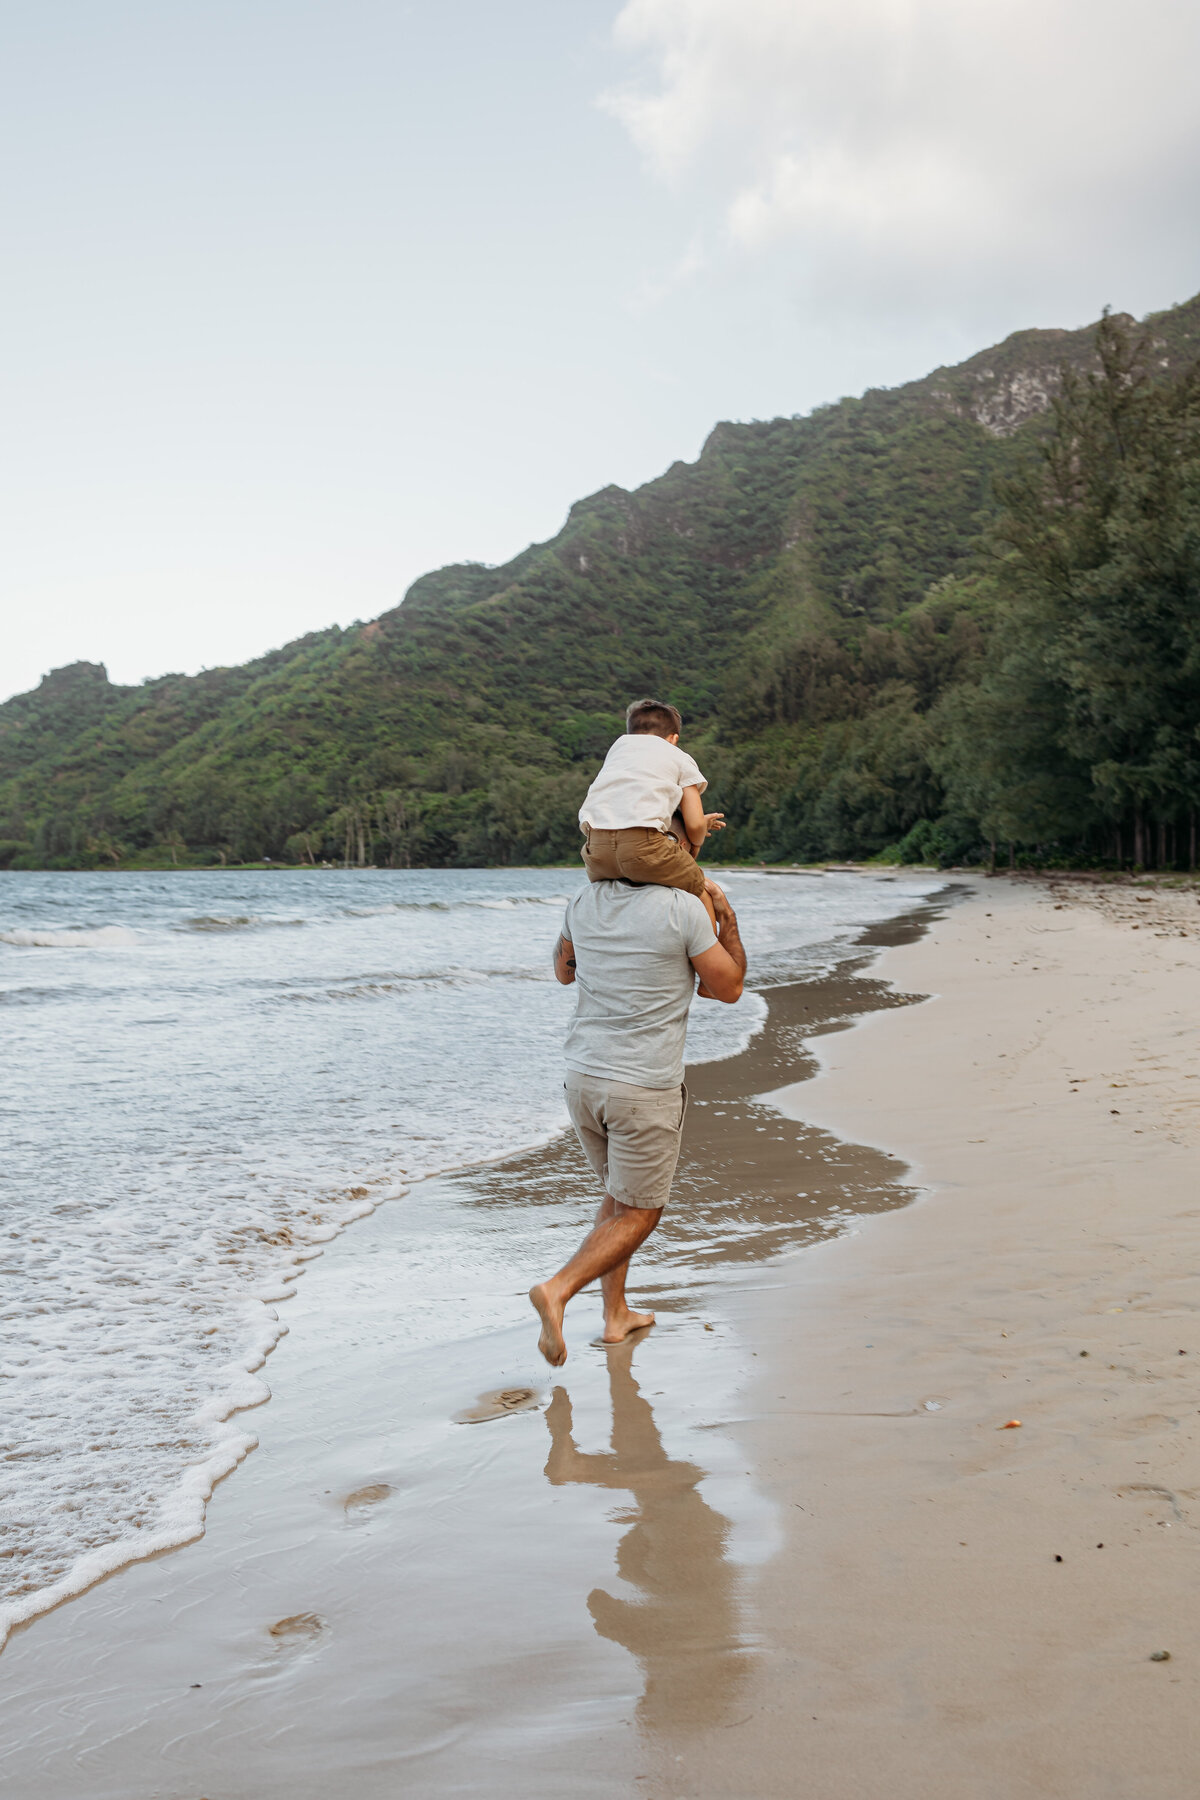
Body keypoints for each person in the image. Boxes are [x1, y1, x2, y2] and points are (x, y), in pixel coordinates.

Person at [529, 844, 747, 1367]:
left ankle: (616, 1315)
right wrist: (727, 922)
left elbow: (564, 972)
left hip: (583, 1078)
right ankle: (558, 1289)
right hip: (642, 1087)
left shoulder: (584, 900)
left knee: (618, 1197)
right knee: (642, 1212)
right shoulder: (683, 909)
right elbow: (729, 988)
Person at [578, 698, 725, 927]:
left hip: (595, 851)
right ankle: (708, 953)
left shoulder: (617, 751)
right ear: (673, 739)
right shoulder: (678, 756)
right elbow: (695, 826)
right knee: (701, 892)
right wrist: (697, 834)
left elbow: (623, 807)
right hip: (643, 848)